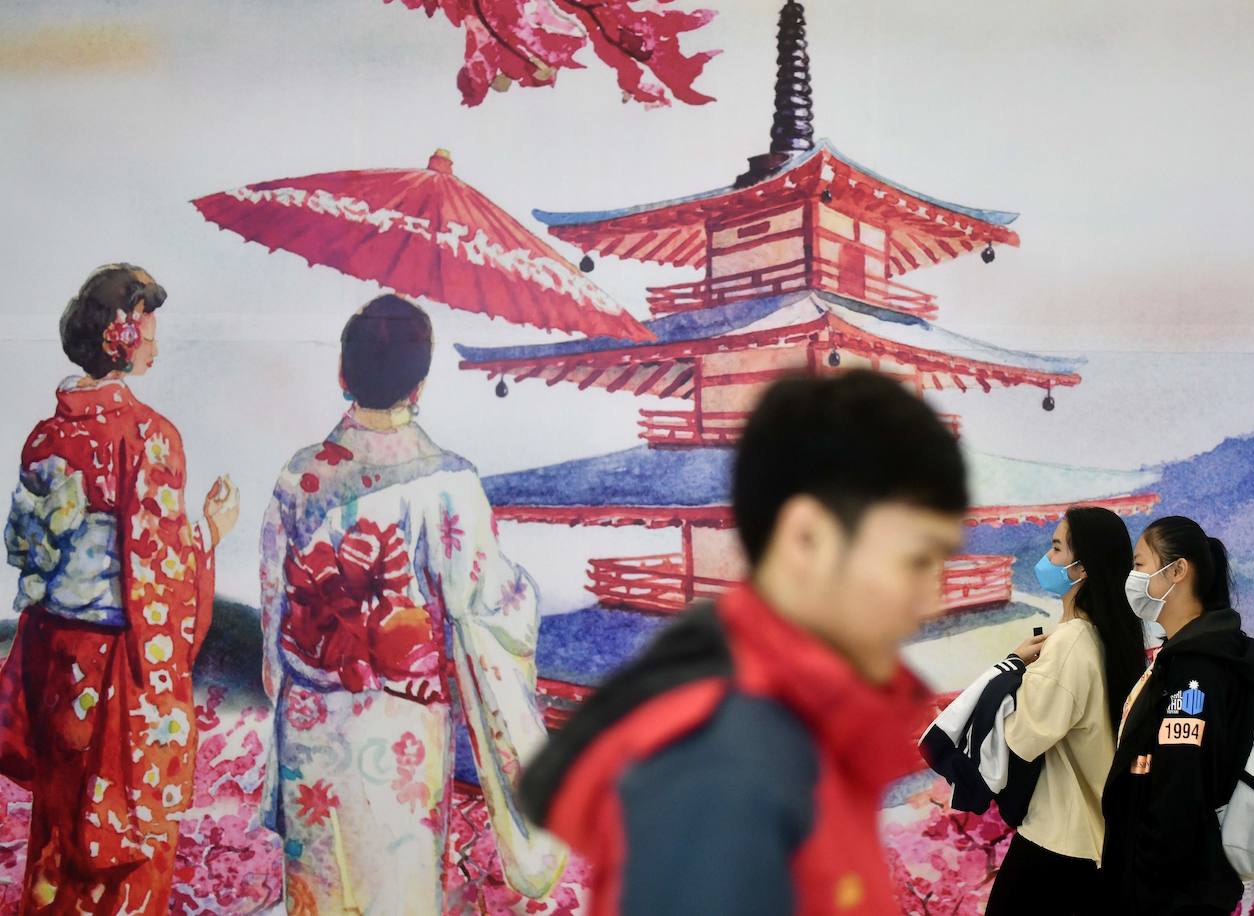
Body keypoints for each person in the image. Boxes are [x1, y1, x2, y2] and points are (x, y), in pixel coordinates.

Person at [518, 370, 968, 916]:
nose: (930, 599)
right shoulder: (719, 768)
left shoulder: (797, 724)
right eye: (918, 559)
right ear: (808, 538)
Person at [258, 294, 566, 915]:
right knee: (396, 887)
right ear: (420, 384)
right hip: (400, 726)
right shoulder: (449, 482)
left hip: (311, 717)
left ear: (343, 375)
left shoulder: (299, 476)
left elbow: (274, 606)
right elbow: (492, 606)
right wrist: (524, 591)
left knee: (322, 888)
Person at [0, 263, 240, 913]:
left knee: (58, 841)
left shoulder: (45, 438)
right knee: (127, 853)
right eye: (151, 323)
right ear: (122, 333)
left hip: (58, 670)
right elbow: (159, 582)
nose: (158, 339)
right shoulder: (149, 437)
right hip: (117, 678)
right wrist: (211, 535)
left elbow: (23, 550)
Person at [1100, 516, 1254, 916]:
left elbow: (1181, 783)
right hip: (1168, 880)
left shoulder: (1195, 668)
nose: (1132, 577)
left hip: (1168, 891)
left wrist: (1140, 878)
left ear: (1177, 570)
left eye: (1140, 565)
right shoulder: (1182, 656)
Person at [981, 507, 1146, 915]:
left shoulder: (1071, 641)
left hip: (1054, 843)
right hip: (1092, 844)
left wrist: (1012, 670)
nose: (1047, 559)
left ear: (1082, 567)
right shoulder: (1107, 638)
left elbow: (1020, 738)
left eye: (1056, 548)